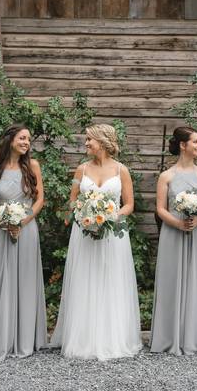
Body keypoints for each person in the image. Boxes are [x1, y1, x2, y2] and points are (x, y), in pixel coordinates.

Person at [50, 124, 142, 360]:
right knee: (86, 281)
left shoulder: (122, 171)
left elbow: (129, 204)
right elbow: (72, 202)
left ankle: (112, 339)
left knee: (111, 282)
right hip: (85, 234)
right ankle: (83, 340)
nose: (86, 144)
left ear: (102, 142)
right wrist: (84, 216)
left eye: (90, 140)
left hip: (113, 234)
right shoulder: (81, 170)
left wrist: (110, 217)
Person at [0, 124, 48, 360]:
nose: (26, 142)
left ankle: (24, 339)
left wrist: (23, 221)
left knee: (25, 280)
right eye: (22, 138)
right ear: (10, 140)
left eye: (28, 139)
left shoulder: (32, 166)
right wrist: (1, 219)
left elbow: (39, 200)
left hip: (26, 229)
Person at [150, 126, 197, 354]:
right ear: (183, 145)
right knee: (173, 279)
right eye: (196, 141)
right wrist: (178, 223)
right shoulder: (166, 176)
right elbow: (161, 209)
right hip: (173, 233)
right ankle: (170, 336)